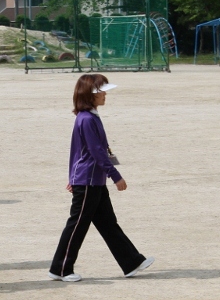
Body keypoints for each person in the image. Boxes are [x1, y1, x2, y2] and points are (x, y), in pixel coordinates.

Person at [48, 74, 154, 282]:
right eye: (101, 92)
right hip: (88, 181)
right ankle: (60, 269)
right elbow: (96, 152)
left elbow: (79, 151)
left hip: (93, 180)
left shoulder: (90, 117)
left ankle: (131, 261)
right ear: (89, 95)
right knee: (77, 225)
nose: (105, 95)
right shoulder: (87, 119)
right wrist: (115, 176)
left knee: (108, 223)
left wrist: (73, 177)